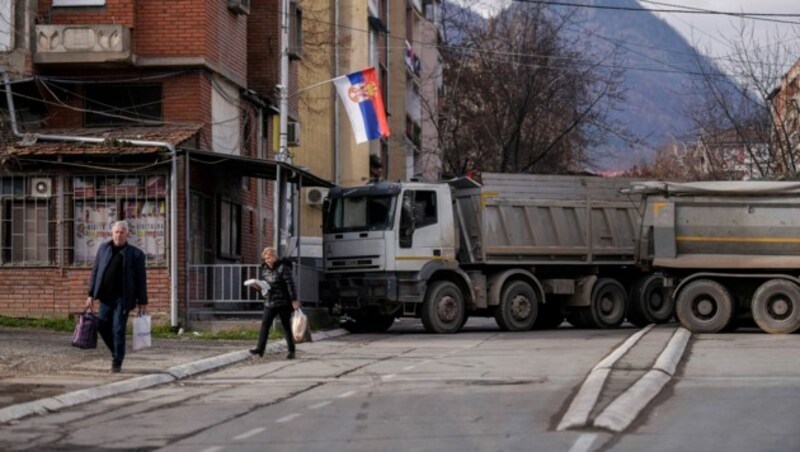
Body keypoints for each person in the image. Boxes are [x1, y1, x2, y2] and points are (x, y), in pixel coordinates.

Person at [85, 220, 148, 373]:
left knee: (118, 329)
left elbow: (141, 279)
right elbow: (96, 271)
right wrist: (90, 295)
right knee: (102, 326)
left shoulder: (136, 254)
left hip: (123, 298)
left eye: (122, 232)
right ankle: (117, 351)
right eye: (116, 232)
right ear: (112, 233)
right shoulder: (103, 249)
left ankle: (117, 361)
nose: (119, 235)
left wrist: (143, 301)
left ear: (127, 234)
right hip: (106, 296)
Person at [249, 247, 300, 359]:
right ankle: (260, 349)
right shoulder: (264, 269)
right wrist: (257, 287)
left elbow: (290, 285)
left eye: (269, 257)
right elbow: (265, 287)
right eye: (265, 258)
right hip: (270, 302)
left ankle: (291, 351)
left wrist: (294, 300)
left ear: (275, 257)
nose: (268, 260)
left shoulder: (283, 268)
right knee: (265, 325)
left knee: (286, 326)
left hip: (283, 302)